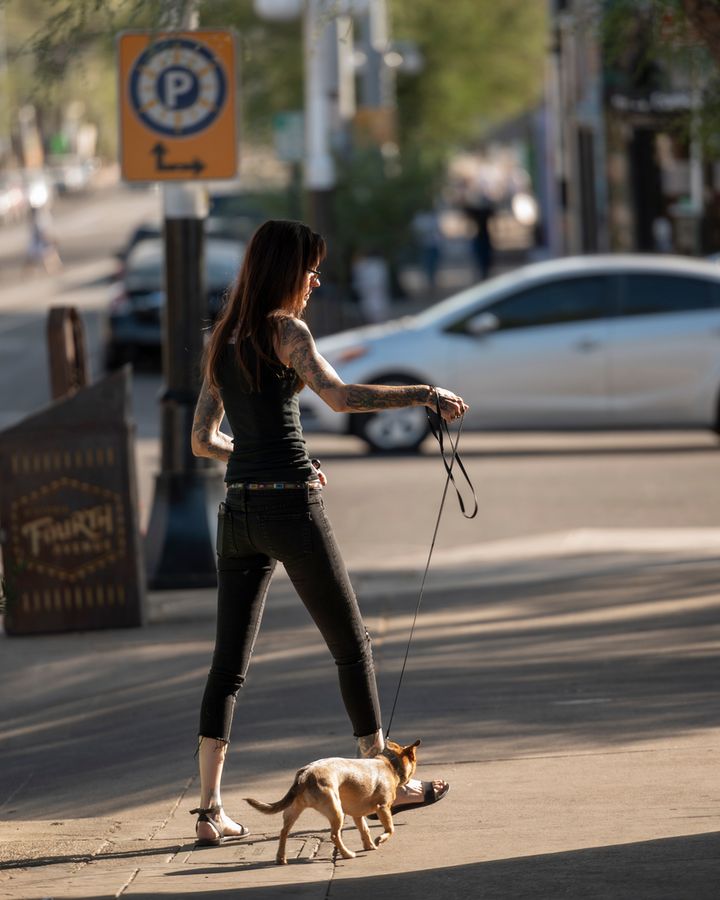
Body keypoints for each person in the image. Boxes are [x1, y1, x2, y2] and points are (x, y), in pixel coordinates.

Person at [190, 219, 468, 846]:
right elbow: (340, 399)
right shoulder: (286, 331)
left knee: (227, 667)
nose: (316, 280)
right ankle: (384, 778)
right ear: (286, 270)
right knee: (352, 644)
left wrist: (249, 457)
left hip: (238, 514)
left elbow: (202, 440)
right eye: (310, 269)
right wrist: (425, 393)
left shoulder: (222, 339)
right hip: (292, 506)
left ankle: (209, 812)